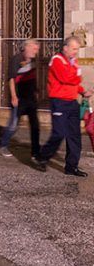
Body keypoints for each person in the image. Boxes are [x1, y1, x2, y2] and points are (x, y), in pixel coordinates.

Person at [35, 36, 91, 176]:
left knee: (74, 136)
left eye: (77, 49)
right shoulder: (57, 60)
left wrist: (83, 91)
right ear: (65, 48)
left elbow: (74, 83)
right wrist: (78, 76)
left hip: (72, 102)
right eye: (73, 49)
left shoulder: (73, 62)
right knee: (59, 133)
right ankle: (43, 157)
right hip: (59, 102)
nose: (75, 52)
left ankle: (71, 167)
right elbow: (66, 78)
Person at [0, 39, 40, 158]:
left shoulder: (32, 60)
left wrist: (35, 90)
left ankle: (35, 152)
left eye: (36, 49)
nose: (35, 52)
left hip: (30, 99)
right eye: (34, 48)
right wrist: (14, 96)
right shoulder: (16, 59)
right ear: (26, 47)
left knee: (35, 125)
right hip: (20, 98)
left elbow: (32, 77)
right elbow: (11, 79)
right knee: (13, 124)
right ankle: (2, 145)